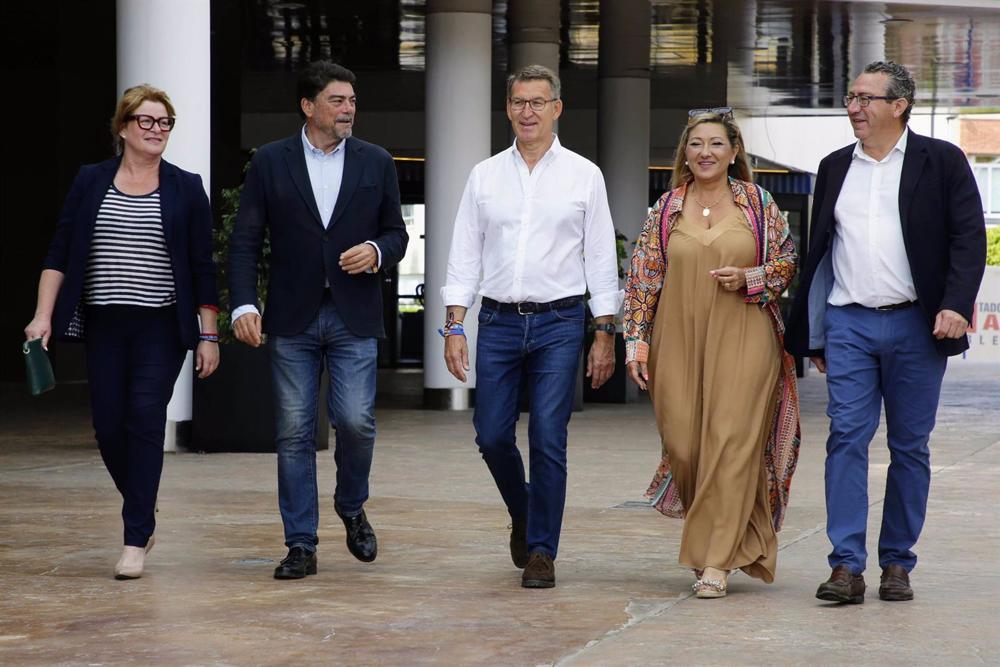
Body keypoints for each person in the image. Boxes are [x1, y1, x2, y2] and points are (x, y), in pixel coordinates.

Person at [785, 61, 987, 604]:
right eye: (851, 96)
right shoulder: (833, 168)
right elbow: (821, 252)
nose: (854, 107)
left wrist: (954, 304)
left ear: (898, 105)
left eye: (866, 98)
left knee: (909, 446)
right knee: (846, 437)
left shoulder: (941, 161)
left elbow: (968, 238)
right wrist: (818, 332)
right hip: (850, 320)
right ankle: (846, 566)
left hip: (917, 324)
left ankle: (896, 562)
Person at [24, 84, 219, 580]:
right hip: (104, 323)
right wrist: (42, 316)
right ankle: (144, 512)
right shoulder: (91, 181)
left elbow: (202, 266)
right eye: (148, 121)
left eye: (166, 123)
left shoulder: (185, 187)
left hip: (161, 324)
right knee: (108, 427)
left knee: (144, 419)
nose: (158, 131)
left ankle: (134, 537)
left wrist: (209, 334)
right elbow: (60, 252)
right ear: (124, 127)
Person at [441, 64, 621, 589]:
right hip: (496, 320)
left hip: (561, 322)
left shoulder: (584, 175)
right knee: (492, 435)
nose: (528, 111)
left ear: (557, 108)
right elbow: (463, 256)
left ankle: (542, 550)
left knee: (548, 436)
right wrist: (455, 326)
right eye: (519, 102)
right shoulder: (484, 175)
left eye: (538, 102)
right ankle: (525, 512)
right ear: (507, 108)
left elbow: (599, 258)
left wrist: (604, 332)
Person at [228, 61, 408, 580]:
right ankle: (301, 544)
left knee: (356, 422)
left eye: (352, 100)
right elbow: (245, 239)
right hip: (291, 316)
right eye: (337, 100)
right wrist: (244, 304)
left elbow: (397, 233)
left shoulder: (376, 162)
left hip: (354, 314)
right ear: (309, 107)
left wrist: (376, 249)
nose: (348, 109)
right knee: (293, 431)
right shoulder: (269, 161)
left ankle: (351, 505)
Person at [623, 109, 801, 599]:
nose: (705, 152)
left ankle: (716, 560)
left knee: (730, 443)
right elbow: (642, 279)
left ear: (734, 152)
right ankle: (739, 533)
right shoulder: (666, 208)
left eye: (716, 144)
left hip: (746, 336)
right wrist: (636, 340)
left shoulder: (757, 204)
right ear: (685, 152)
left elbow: (787, 262)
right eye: (696, 143)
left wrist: (752, 277)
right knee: (685, 444)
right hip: (675, 339)